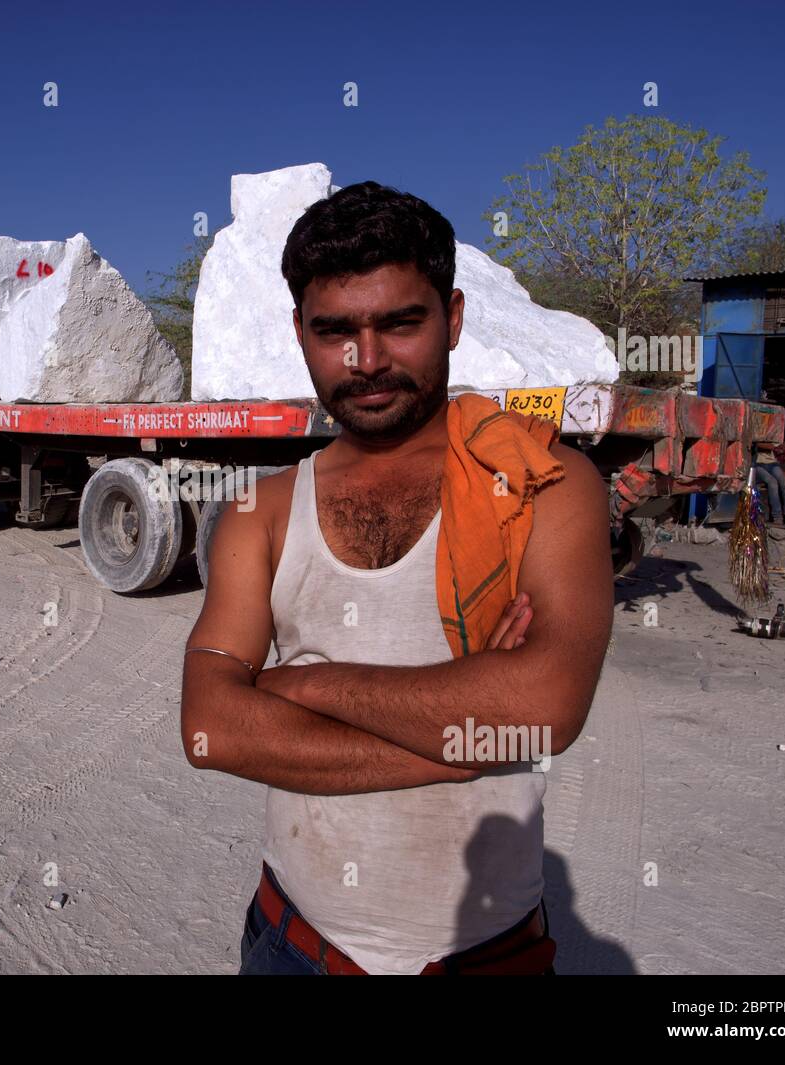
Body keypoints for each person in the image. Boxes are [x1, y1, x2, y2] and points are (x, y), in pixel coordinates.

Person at [180, 182, 613, 975]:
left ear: (451, 317)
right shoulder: (262, 511)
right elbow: (211, 728)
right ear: (300, 334)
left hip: (487, 959)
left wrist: (302, 686)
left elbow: (545, 707)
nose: (367, 359)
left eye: (400, 323)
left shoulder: (537, 483)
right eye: (335, 330)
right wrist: (461, 741)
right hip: (293, 947)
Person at [753, 441, 785, 525]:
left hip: (772, 464)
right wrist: (775, 448)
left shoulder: (776, 434)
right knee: (772, 482)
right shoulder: (761, 433)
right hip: (758, 464)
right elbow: (756, 443)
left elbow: (781, 449)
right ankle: (777, 517)